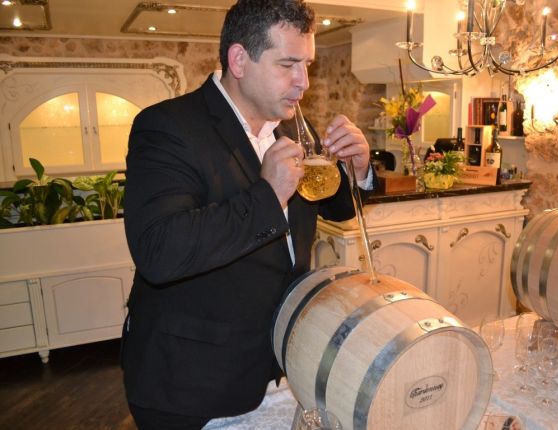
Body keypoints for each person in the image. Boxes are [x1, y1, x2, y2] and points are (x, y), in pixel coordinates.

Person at [119, 0, 374, 429]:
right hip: (189, 383)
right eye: (288, 65)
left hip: (277, 365)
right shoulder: (167, 126)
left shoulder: (293, 127)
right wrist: (268, 195)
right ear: (239, 60)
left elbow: (333, 203)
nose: (304, 82)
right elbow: (160, 252)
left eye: (307, 65)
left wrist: (358, 170)